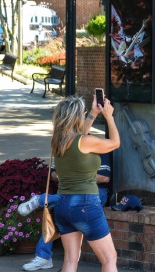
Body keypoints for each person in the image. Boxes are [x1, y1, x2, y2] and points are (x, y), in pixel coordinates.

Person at [51, 94, 120, 271]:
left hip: (62, 204)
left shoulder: (58, 142)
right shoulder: (85, 141)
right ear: (76, 117)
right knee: (109, 259)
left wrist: (93, 113)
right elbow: (114, 143)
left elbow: (80, 135)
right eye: (82, 113)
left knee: (70, 260)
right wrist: (109, 116)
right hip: (85, 203)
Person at [19, 152, 112, 271]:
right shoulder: (65, 147)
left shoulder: (97, 147)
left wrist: (74, 177)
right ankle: (43, 257)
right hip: (68, 194)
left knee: (67, 203)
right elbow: (53, 174)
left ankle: (41, 199)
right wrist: (67, 177)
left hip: (96, 193)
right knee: (57, 211)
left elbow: (104, 177)